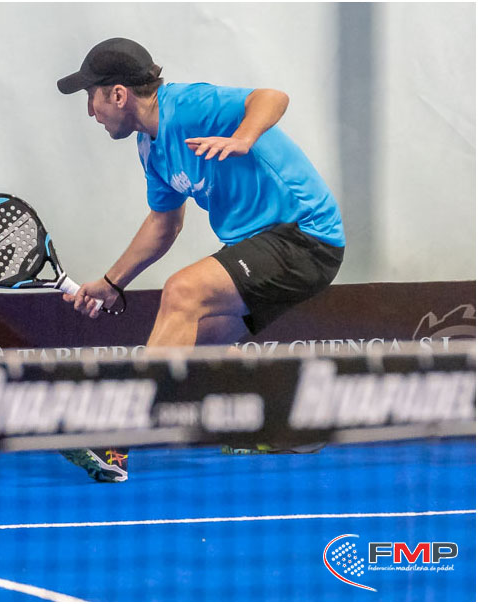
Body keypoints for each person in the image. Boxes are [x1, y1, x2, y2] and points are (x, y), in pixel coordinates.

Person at [56, 38, 345, 483]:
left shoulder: (187, 107)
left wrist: (243, 138)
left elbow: (272, 98)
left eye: (91, 97)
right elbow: (164, 224)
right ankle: (277, 423)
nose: (90, 111)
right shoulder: (150, 148)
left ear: (118, 94)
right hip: (261, 245)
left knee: (183, 291)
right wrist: (112, 283)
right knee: (196, 342)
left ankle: (117, 439)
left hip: (305, 234)